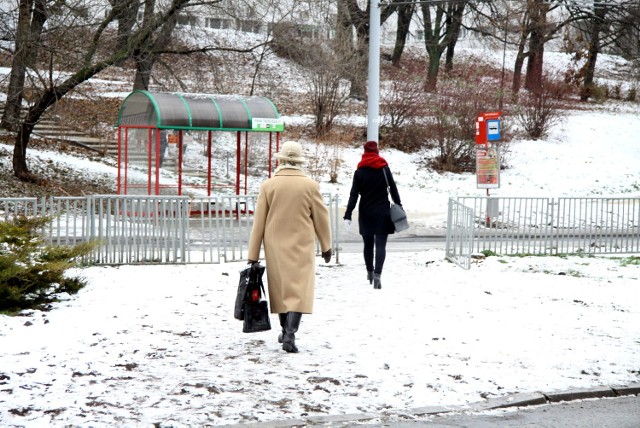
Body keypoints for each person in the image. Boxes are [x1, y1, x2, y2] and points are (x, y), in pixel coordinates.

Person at [247, 141, 332, 353]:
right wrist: (326, 245)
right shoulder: (310, 186)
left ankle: (285, 330)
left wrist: (253, 254)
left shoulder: (268, 186)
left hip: (274, 245)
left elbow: (259, 222)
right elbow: (321, 218)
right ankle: (290, 335)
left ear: (281, 160)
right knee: (299, 291)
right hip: (302, 245)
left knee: (281, 289)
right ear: (299, 162)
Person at [343, 141, 402, 290]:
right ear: (377, 151)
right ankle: (377, 275)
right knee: (381, 245)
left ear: (364, 152)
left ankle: (369, 272)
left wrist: (348, 214)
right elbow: (393, 188)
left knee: (368, 245)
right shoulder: (384, 168)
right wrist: (399, 205)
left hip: (366, 212)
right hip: (383, 212)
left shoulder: (359, 171)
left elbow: (354, 195)